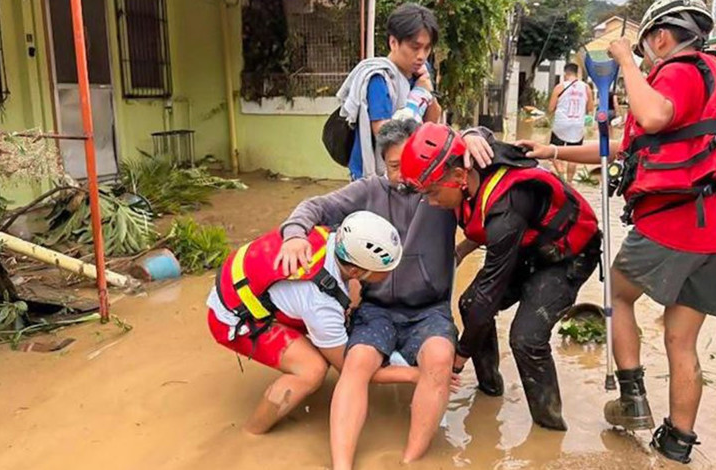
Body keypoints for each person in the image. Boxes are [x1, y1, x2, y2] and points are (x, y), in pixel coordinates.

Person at [517, 0, 716, 463]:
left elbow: (653, 118)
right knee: (681, 340)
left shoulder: (678, 70)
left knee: (619, 293)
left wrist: (625, 61)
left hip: (678, 220)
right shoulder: (711, 82)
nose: (643, 57)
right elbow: (625, 145)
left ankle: (632, 399)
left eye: (644, 47)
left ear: (660, 38)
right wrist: (550, 150)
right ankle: (676, 445)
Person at [277, 119, 494, 468]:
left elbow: (483, 158)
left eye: (411, 165)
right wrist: (294, 235)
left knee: (439, 359)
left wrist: (472, 135)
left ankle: (410, 460)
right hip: (376, 308)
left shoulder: (441, 188)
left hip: (430, 309)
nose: (407, 176)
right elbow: (314, 207)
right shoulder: (368, 191)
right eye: (395, 167)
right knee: (357, 363)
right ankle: (342, 464)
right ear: (383, 164)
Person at [399, 122, 602, 431]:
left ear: (458, 177)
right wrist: (465, 249)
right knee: (468, 304)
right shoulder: (473, 162)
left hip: (568, 255)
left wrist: (459, 357)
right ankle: (490, 389)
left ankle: (548, 431)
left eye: (433, 193)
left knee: (526, 338)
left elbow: (490, 294)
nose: (431, 202)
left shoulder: (507, 206)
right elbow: (481, 141)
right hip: (530, 245)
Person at [207, 211, 413, 434]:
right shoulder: (320, 304)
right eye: (385, 271)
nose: (391, 273)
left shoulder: (330, 236)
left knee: (352, 296)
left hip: (243, 286)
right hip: (230, 319)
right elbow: (351, 369)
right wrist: (414, 375)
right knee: (312, 369)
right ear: (355, 269)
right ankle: (252, 432)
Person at [336, 2, 442, 180]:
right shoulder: (379, 78)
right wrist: (418, 97)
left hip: (408, 171)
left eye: (427, 48)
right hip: (375, 176)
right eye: (415, 47)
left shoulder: (421, 72)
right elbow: (386, 135)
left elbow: (431, 121)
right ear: (393, 42)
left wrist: (426, 92)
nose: (421, 56)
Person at [548, 63, 593, 184]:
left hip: (560, 124)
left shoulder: (560, 87)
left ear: (565, 74)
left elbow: (551, 108)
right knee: (573, 155)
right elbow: (590, 108)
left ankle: (561, 175)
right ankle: (569, 182)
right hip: (577, 124)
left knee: (553, 151)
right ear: (577, 73)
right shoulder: (586, 88)